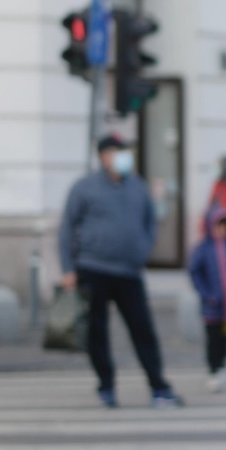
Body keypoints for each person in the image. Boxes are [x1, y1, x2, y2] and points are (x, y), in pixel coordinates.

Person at [58, 133, 183, 408]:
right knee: (97, 332)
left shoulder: (137, 186)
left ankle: (158, 386)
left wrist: (143, 248)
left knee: (143, 329)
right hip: (93, 269)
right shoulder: (84, 187)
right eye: (118, 151)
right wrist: (68, 268)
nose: (124, 156)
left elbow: (150, 220)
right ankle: (106, 386)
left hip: (129, 271)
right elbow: (67, 228)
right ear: (104, 156)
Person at [188, 207, 226, 392]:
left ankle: (222, 366)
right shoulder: (203, 249)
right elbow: (195, 272)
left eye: (225, 226)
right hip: (212, 307)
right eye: (218, 225)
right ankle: (213, 369)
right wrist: (207, 294)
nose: (221, 230)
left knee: (225, 338)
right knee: (212, 339)